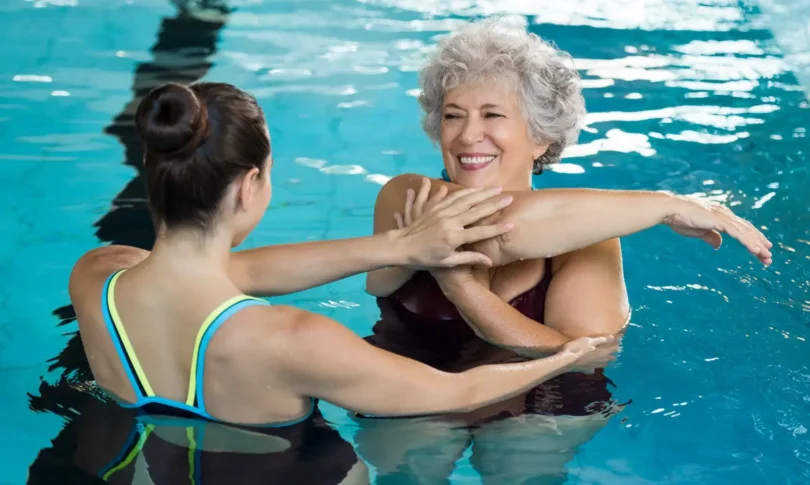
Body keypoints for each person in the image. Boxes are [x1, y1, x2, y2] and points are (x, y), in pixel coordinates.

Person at [67, 81, 612, 483]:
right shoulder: (292, 340)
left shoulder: (97, 277)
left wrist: (397, 249)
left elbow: (217, 273)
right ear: (250, 185)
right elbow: (458, 392)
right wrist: (568, 356)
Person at [359, 18, 773, 483]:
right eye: (454, 115)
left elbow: (586, 355)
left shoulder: (592, 234)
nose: (467, 135)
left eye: (492, 115)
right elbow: (495, 227)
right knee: (412, 466)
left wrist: (460, 288)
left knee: (520, 462)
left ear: (541, 137)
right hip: (414, 379)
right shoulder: (408, 198)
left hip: (543, 397)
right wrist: (666, 206)